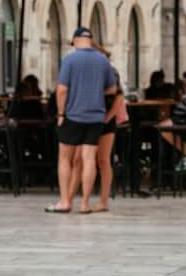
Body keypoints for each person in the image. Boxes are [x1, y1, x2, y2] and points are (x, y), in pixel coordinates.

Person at [48, 26, 115, 214]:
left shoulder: (70, 59)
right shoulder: (103, 60)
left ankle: (65, 202)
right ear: (91, 40)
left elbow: (62, 89)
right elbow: (112, 89)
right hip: (96, 117)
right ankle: (85, 204)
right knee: (89, 159)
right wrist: (95, 92)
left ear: (76, 40)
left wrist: (61, 113)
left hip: (73, 115)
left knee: (64, 158)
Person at [93, 44, 129, 212]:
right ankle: (82, 199)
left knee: (103, 160)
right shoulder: (87, 71)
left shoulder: (111, 72)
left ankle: (103, 200)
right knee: (85, 160)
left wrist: (107, 118)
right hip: (88, 118)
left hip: (104, 119)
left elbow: (119, 97)